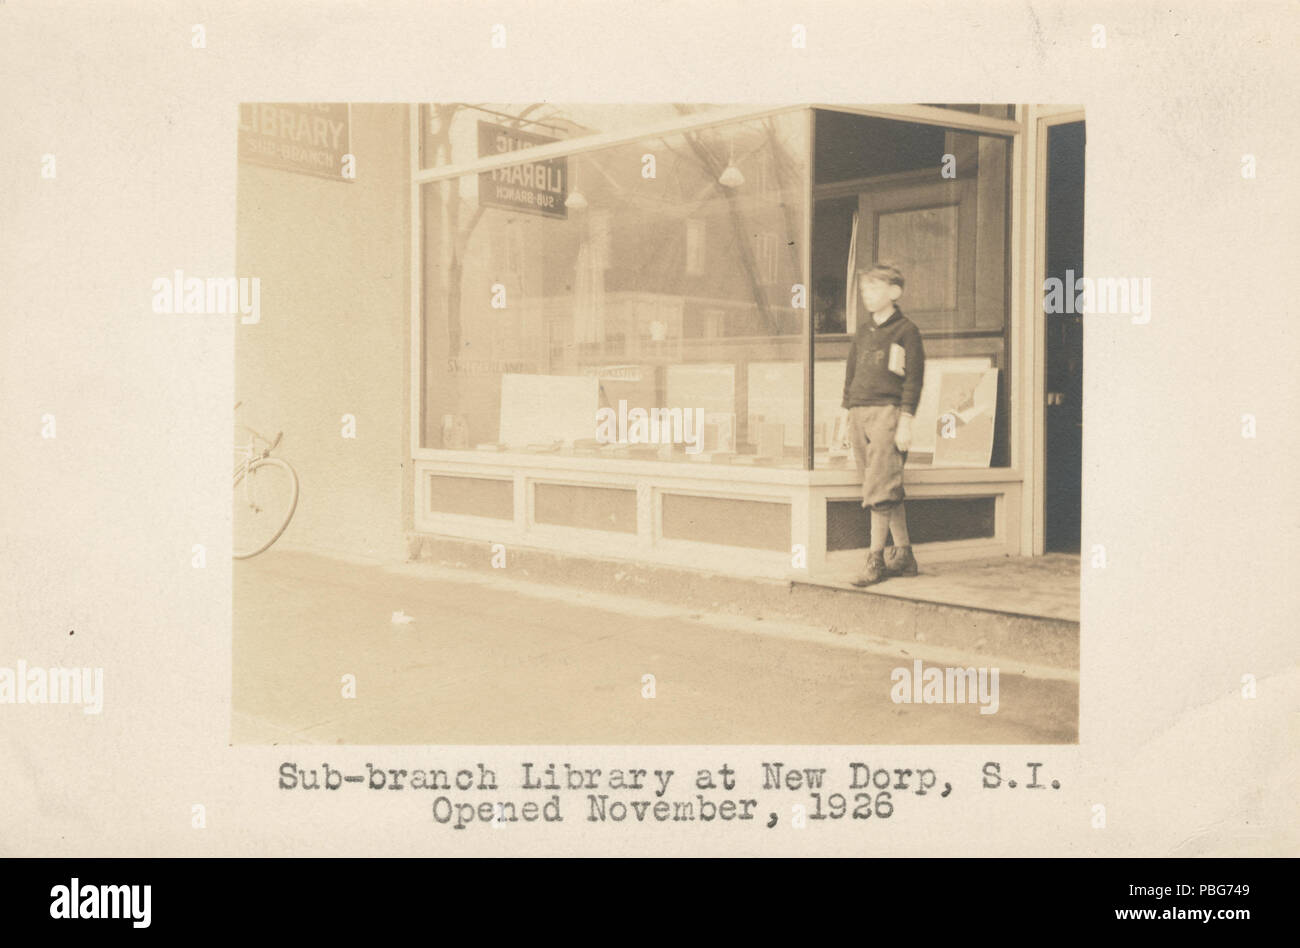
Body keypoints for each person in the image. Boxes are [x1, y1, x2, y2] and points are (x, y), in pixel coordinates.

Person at [841, 263, 926, 586]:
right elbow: (851, 374)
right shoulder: (863, 332)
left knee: (880, 485)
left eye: (874, 289)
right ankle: (904, 554)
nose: (867, 295)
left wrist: (905, 420)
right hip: (859, 412)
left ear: (894, 292)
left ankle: (875, 560)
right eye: (864, 290)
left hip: (888, 413)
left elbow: (913, 380)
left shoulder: (906, 331)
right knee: (879, 484)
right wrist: (845, 413)